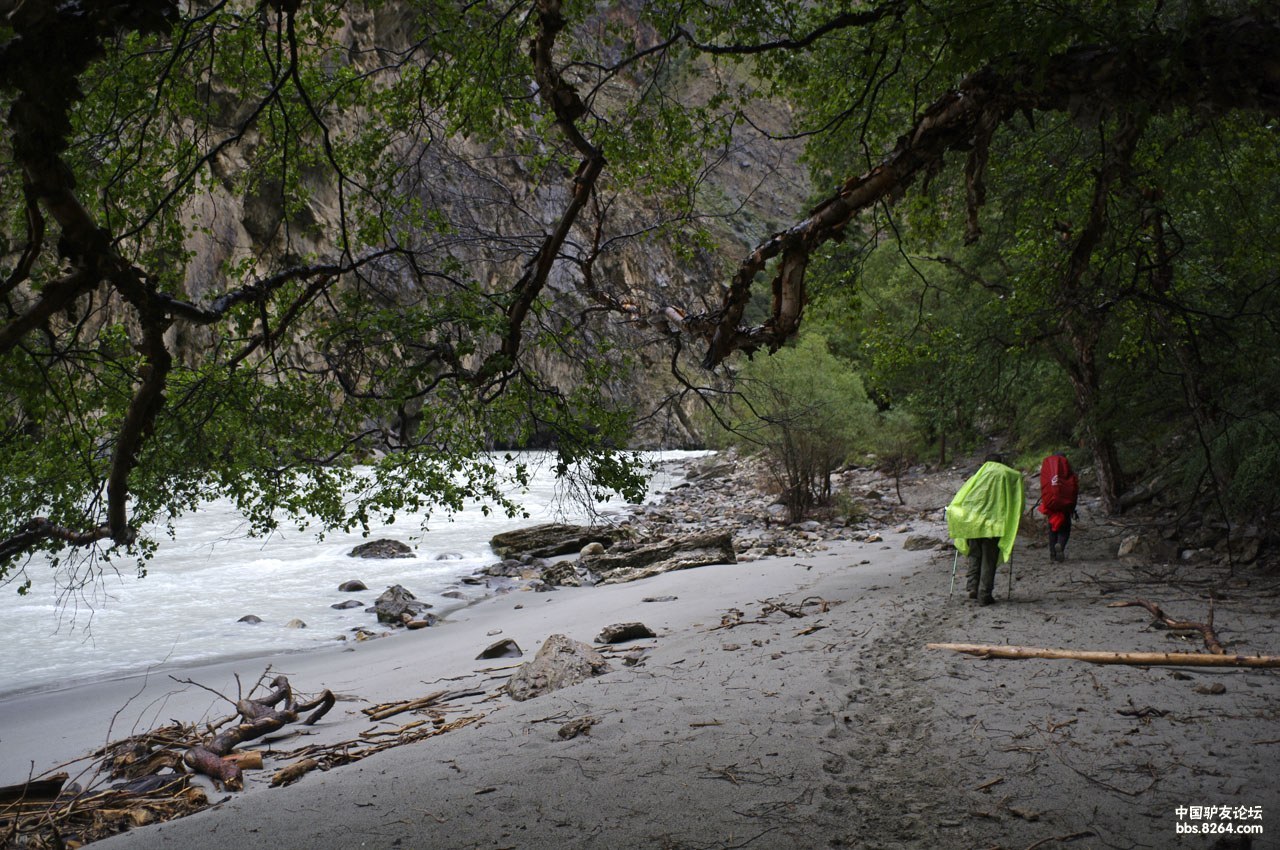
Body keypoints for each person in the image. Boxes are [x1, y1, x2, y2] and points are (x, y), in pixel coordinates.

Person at [946, 454, 1025, 605]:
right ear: (1001, 463)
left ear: (985, 463)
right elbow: (1016, 491)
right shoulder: (1006, 475)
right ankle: (984, 594)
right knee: (989, 560)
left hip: (973, 524)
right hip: (993, 526)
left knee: (975, 555)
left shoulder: (977, 477)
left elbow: (963, 498)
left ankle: (972, 587)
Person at [1038, 452, 1079, 561]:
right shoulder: (1068, 472)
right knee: (1065, 529)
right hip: (1065, 506)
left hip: (1051, 505)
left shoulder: (1049, 470)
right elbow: (1074, 489)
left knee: (1052, 529)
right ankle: (1060, 544)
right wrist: (1072, 508)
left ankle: (1052, 555)